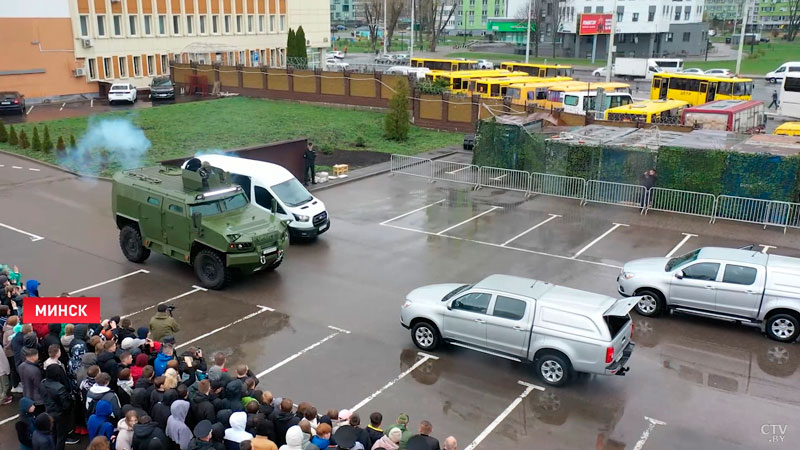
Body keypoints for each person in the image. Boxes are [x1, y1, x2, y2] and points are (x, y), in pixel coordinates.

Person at [39, 364, 74, 449]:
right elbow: (66, 405)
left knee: (53, 433)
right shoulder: (60, 388)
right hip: (60, 415)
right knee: (61, 436)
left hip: (49, 411)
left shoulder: (43, 383)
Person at [18, 347, 44, 413]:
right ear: (34, 357)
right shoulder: (35, 370)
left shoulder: (21, 366)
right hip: (37, 399)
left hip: (26, 394)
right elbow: (39, 385)